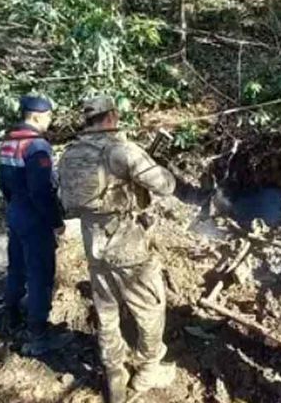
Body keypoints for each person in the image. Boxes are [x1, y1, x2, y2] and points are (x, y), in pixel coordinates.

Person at [58, 95, 177, 403]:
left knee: (107, 311)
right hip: (127, 245)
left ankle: (114, 372)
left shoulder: (70, 154)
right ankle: (148, 370)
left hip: (93, 244)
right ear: (111, 116)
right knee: (150, 308)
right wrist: (160, 170)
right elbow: (164, 186)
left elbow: (67, 200)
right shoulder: (121, 150)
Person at [0, 95, 66, 355]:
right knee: (40, 274)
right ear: (37, 116)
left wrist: (13, 204)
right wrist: (56, 222)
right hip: (34, 216)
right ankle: (38, 335)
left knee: (17, 266)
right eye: (49, 117)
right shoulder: (37, 145)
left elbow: (2, 181)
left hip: (15, 210)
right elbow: (42, 191)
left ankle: (11, 316)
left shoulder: (9, 140)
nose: (50, 121)